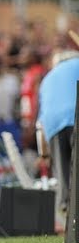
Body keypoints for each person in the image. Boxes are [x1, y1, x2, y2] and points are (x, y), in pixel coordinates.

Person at [36, 50, 79, 229]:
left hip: (53, 125)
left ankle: (67, 207)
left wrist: (44, 153)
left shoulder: (47, 78)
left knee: (63, 171)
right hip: (75, 115)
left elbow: (40, 122)